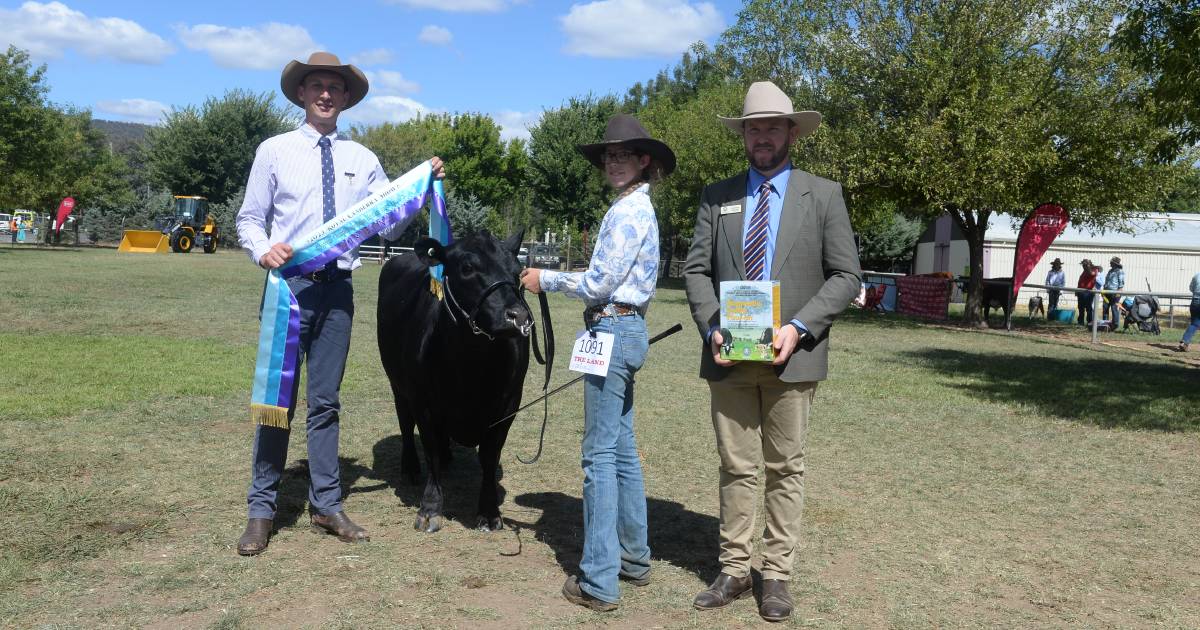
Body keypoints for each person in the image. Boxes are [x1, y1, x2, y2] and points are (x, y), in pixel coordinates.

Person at [234, 51, 444, 556]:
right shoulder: (274, 150)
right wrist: (265, 250)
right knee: (276, 403)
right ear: (302, 94)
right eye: (317, 86)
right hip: (288, 289)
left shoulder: (363, 160)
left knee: (325, 403)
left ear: (346, 98)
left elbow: (387, 224)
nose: (326, 94)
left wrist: (422, 187)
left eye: (335, 87)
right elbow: (248, 219)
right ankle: (261, 510)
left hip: (338, 294)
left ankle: (326, 504)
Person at [682, 81, 861, 623]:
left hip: (792, 356)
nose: (761, 136)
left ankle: (776, 575)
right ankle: (735, 569)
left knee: (785, 468)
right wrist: (712, 324)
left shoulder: (823, 194)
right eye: (752, 128)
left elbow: (846, 274)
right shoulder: (717, 196)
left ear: (791, 133)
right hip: (730, 356)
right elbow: (694, 270)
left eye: (772, 127)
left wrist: (800, 327)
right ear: (744, 135)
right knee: (735, 466)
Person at [519, 114, 674, 612]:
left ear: (643, 161)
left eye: (623, 155)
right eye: (609, 155)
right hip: (625, 329)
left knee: (599, 456)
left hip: (613, 326)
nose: (613, 162)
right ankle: (633, 558)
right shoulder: (632, 208)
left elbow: (600, 283)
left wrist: (547, 279)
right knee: (621, 447)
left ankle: (599, 580)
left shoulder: (629, 213)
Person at [1178, 270, 1200, 352]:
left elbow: (1191, 288)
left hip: (1195, 301)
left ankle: (1185, 342)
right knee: (1196, 323)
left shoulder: (1196, 275)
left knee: (1194, 323)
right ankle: (1185, 342)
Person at [1102, 256, 1125, 330]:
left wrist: (1118, 293)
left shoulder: (1120, 271)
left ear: (1114, 263)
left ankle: (1115, 325)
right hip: (1106, 292)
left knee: (1114, 308)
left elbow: (1121, 283)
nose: (1110, 263)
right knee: (1105, 307)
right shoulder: (1110, 271)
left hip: (1115, 293)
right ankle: (1105, 323)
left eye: (1111, 262)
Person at [1075, 259, 1098, 326]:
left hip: (1088, 292)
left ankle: (1089, 322)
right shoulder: (1084, 271)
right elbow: (1080, 281)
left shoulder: (1094, 270)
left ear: (1088, 265)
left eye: (1084, 265)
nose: (1083, 266)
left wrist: (1087, 267)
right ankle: (1080, 322)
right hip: (1081, 292)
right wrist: (1077, 290)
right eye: (1083, 265)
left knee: (1088, 308)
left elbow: (1092, 274)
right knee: (1080, 307)